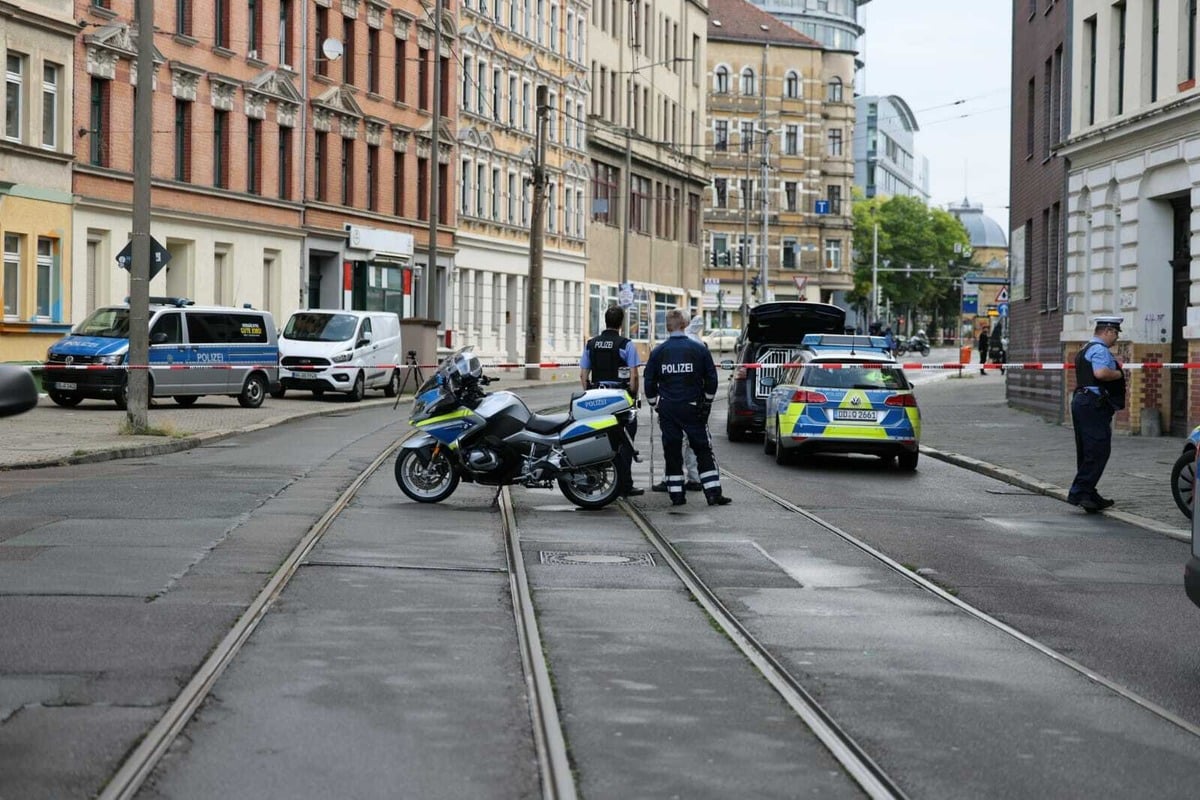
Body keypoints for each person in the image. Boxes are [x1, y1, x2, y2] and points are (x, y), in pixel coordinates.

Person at [644, 309, 731, 507]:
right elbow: (711, 378)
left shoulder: (658, 352)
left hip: (668, 408)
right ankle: (713, 493)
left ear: (667, 327)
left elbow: (649, 382)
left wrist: (654, 404)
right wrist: (707, 401)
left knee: (672, 450)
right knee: (702, 449)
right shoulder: (698, 349)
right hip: (693, 407)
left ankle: (676, 496)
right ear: (684, 324)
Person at [580, 305, 643, 497]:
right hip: (619, 398)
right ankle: (624, 484)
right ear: (621, 323)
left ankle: (590, 482)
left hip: (597, 398)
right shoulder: (626, 345)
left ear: (605, 321)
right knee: (624, 440)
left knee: (596, 439)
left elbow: (583, 375)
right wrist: (632, 393)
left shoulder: (591, 344)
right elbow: (634, 376)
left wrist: (590, 393)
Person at [1068, 316, 1126, 512]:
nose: (1116, 338)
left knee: (1087, 449)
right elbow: (1101, 373)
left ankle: (1089, 493)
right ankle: (1080, 491)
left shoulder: (1086, 347)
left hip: (1083, 402)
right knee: (1098, 449)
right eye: (1116, 333)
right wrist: (1119, 373)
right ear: (1108, 331)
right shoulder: (1100, 350)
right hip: (1093, 404)